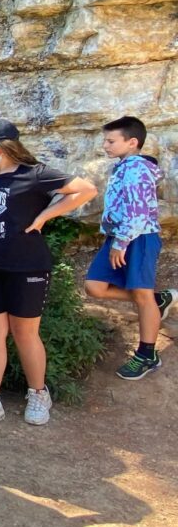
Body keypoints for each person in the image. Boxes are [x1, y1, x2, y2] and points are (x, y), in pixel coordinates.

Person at [0, 116, 97, 430]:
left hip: (27, 266)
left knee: (24, 332)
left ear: (3, 146)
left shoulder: (34, 174)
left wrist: (45, 215)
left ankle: (38, 393)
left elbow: (85, 190)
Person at [84, 116, 177, 379]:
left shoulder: (137, 169)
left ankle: (147, 355)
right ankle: (157, 301)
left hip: (139, 238)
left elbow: (138, 213)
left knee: (141, 294)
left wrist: (121, 243)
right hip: (120, 237)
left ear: (132, 142)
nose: (105, 146)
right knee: (94, 286)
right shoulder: (124, 167)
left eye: (111, 141)